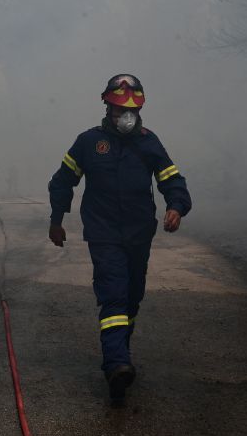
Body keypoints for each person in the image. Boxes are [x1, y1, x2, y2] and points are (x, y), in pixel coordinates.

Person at [47, 74, 192, 404]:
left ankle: (120, 353)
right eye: (117, 109)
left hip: (140, 232)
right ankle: (116, 364)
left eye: (130, 109)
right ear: (107, 108)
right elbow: (62, 181)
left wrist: (176, 206)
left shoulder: (148, 142)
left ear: (140, 110)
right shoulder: (89, 142)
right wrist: (56, 220)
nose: (124, 116)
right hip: (104, 232)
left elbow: (172, 179)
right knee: (113, 295)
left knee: (131, 297)